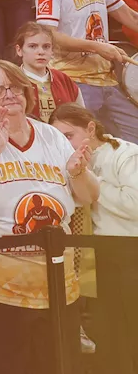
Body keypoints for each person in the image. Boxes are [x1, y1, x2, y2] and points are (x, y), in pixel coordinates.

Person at [0, 61, 98, 374]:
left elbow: (88, 196)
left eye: (14, 86)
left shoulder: (52, 136)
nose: (9, 94)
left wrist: (79, 171)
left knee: (57, 365)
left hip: (58, 285)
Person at [49, 103, 138, 374]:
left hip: (127, 252)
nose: (64, 143)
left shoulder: (126, 154)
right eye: (57, 137)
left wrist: (90, 182)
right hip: (89, 255)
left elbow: (135, 203)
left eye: (68, 135)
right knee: (106, 335)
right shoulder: (63, 163)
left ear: (90, 128)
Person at [36, 0, 138, 143]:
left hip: (106, 78)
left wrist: (99, 49)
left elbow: (129, 16)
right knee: (80, 145)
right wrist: (98, 47)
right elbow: (48, 37)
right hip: (72, 79)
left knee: (132, 138)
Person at [14, 22, 82, 122]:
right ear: (19, 50)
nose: (41, 52)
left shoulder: (64, 80)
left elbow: (81, 118)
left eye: (46, 47)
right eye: (33, 46)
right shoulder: (12, 81)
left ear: (52, 50)